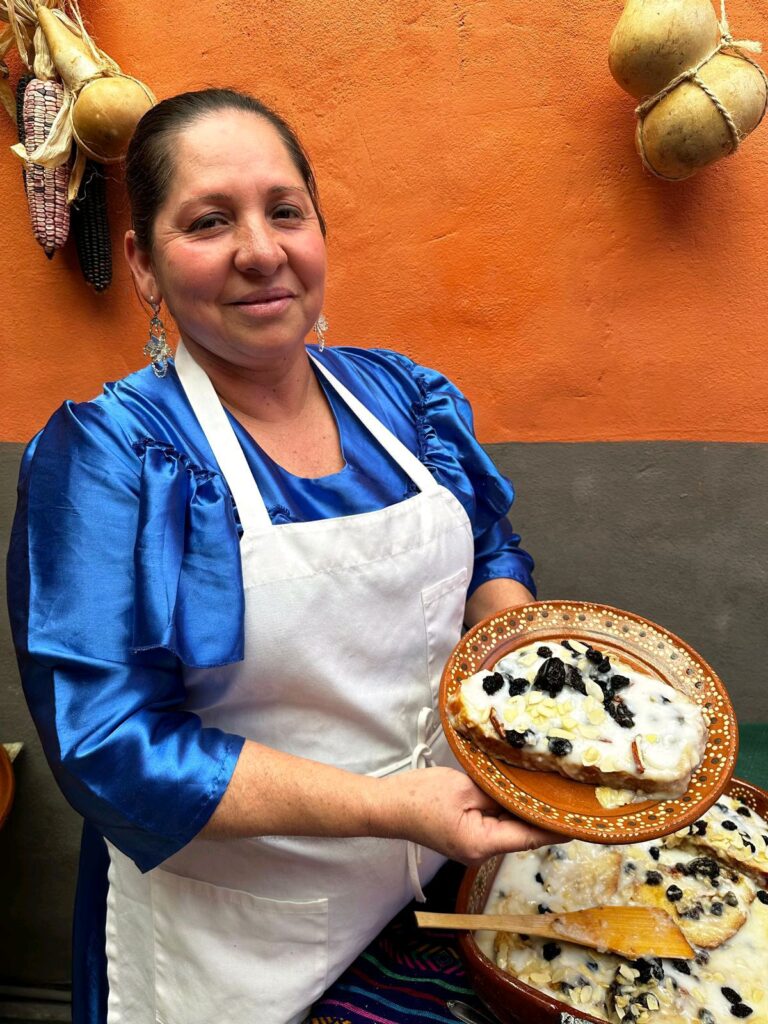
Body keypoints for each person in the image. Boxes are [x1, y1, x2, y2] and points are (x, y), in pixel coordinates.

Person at [7, 88, 560, 1024]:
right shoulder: (112, 458)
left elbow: (489, 551)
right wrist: (393, 808)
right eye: (209, 221)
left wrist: (524, 687)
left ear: (320, 231)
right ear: (142, 263)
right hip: (236, 945)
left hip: (437, 884)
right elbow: (108, 747)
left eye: (285, 211)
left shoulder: (405, 400)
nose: (260, 251)